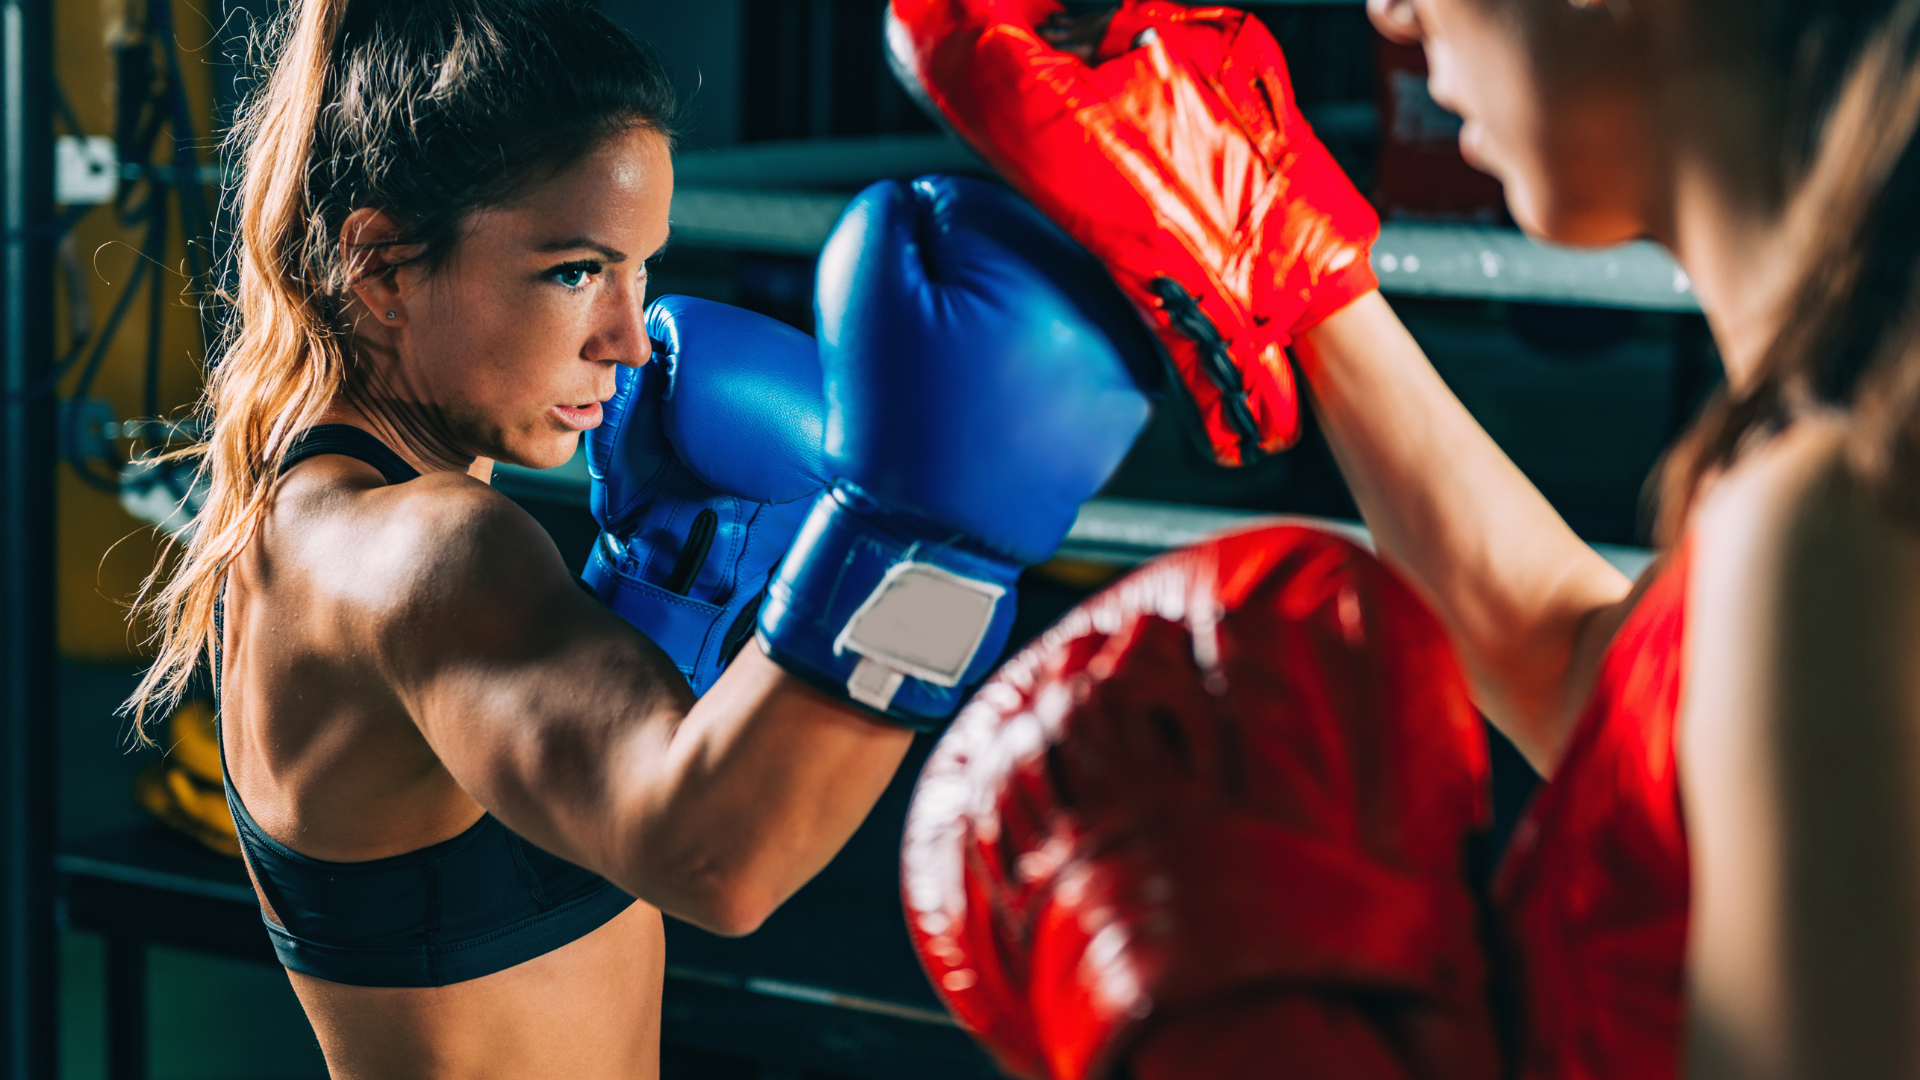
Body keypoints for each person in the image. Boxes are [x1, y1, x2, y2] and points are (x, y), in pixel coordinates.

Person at [123, 0, 1158, 1074]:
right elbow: (719, 864)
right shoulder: (426, 549)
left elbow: (571, 795)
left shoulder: (315, 519)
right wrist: (940, 549)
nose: (624, 338)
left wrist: (662, 591)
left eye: (639, 269)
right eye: (574, 271)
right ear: (382, 269)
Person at [889, 0, 1920, 1077]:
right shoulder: (1835, 489)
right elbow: (1589, 682)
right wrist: (1280, 245)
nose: (1391, 12)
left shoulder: (1835, 524)